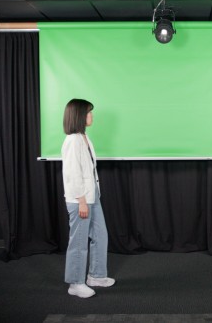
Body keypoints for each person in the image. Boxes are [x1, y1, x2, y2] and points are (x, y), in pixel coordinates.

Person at [61, 98, 115, 298]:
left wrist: (91, 197)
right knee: (79, 241)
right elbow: (73, 173)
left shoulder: (84, 137)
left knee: (100, 235)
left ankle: (97, 275)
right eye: (88, 112)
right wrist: (82, 200)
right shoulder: (73, 141)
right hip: (80, 200)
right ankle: (75, 283)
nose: (91, 116)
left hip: (93, 197)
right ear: (79, 116)